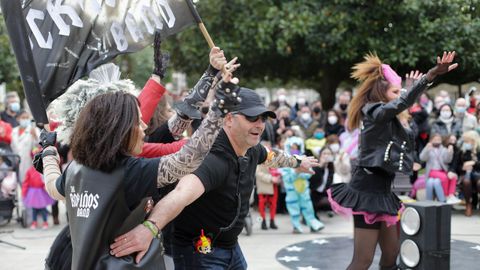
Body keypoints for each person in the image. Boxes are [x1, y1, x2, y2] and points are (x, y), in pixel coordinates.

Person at [40, 63, 240, 269]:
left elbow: (53, 187)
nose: (144, 126)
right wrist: (221, 107)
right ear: (119, 129)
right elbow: (188, 159)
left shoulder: (74, 170)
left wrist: (47, 151)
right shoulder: (131, 171)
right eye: (138, 121)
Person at [110, 87, 320, 269]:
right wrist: (149, 229)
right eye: (251, 118)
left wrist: (296, 163)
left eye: (263, 118)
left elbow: (271, 155)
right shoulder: (212, 157)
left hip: (231, 247)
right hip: (199, 253)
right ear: (228, 119)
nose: (260, 125)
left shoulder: (252, 148)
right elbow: (181, 194)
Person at [327, 51, 457, 270]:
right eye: (396, 91)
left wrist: (412, 89)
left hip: (385, 191)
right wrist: (430, 76)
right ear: (381, 93)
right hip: (366, 191)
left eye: (401, 91)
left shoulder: (392, 119)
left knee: (391, 254)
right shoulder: (372, 112)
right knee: (363, 260)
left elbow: (408, 115)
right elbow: (400, 104)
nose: (400, 95)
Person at [22, 147, 55, 229]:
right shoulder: (30, 170)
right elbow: (26, 182)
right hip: (33, 192)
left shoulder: (42, 170)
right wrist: (24, 191)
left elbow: (45, 179)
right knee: (34, 209)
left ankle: (45, 222)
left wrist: (46, 186)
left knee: (43, 209)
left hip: (41, 192)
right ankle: (34, 222)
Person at [419, 134, 454, 203]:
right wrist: (426, 149)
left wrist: (450, 152)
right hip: (431, 171)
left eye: (438, 140)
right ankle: (445, 198)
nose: (437, 141)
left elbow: (447, 160)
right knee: (444, 178)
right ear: (431, 140)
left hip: (441, 171)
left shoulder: (443, 149)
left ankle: (433, 201)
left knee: (433, 182)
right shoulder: (429, 148)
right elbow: (422, 158)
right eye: (435, 139)